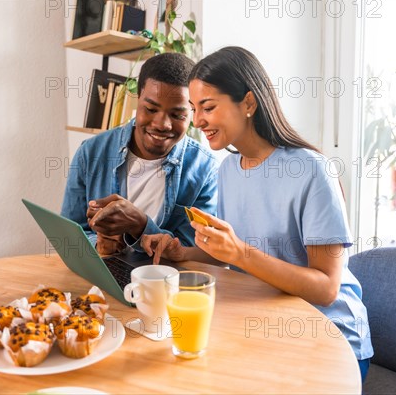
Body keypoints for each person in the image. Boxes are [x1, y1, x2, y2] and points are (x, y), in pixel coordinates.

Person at [141, 47, 373, 381]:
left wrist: (240, 253)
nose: (198, 120)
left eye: (207, 107)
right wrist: (184, 251)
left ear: (248, 103)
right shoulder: (229, 170)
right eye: (194, 109)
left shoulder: (311, 170)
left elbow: (326, 288)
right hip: (265, 321)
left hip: (329, 336)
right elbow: (228, 256)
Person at [61, 53, 218, 256]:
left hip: (167, 283)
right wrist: (99, 245)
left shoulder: (204, 168)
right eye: (151, 109)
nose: (162, 124)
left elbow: (194, 249)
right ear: (137, 99)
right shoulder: (91, 152)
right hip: (102, 276)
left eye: (178, 115)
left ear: (193, 111)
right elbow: (68, 236)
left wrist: (141, 225)